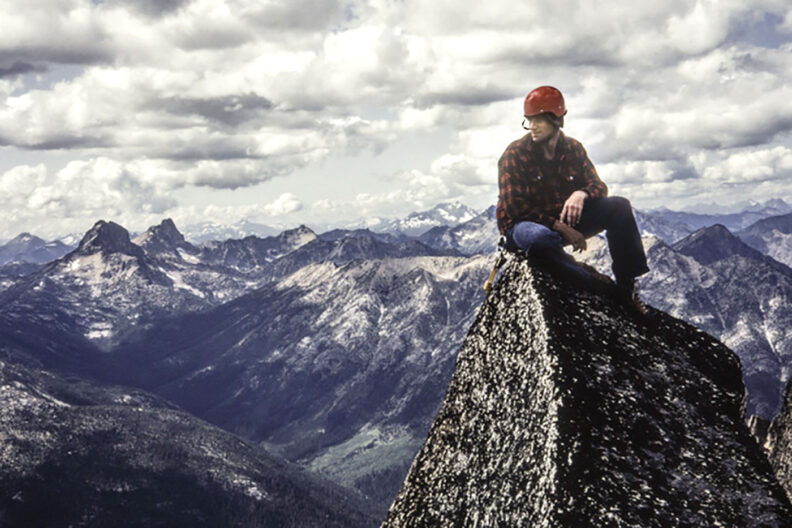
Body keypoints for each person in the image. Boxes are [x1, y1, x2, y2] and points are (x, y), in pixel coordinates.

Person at [496, 85, 650, 313]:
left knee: (619, 207)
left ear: (556, 120)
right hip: (523, 228)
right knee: (540, 239)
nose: (532, 126)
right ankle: (592, 281)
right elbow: (515, 207)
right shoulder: (516, 153)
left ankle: (626, 287)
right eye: (529, 120)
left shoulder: (573, 150)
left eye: (539, 120)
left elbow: (599, 186)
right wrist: (560, 227)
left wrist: (581, 193)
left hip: (562, 223)